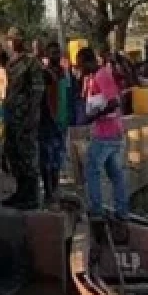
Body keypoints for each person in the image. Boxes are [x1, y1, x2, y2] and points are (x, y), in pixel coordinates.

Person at [78, 47, 129, 219]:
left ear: (88, 61)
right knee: (115, 173)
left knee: (92, 169)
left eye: (81, 65)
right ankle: (122, 211)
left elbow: (113, 102)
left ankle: (96, 209)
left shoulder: (101, 76)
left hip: (105, 133)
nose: (80, 69)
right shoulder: (96, 76)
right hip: (113, 131)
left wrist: (94, 116)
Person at [1, 27, 46, 210]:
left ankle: (31, 196)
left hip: (25, 115)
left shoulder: (31, 62)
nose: (12, 42)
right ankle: (20, 192)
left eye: (16, 39)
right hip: (12, 115)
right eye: (10, 39)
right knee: (14, 154)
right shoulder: (11, 63)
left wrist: (32, 115)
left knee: (27, 155)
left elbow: (38, 90)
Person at [39, 41, 73, 207]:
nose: (56, 56)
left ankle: (55, 188)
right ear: (47, 55)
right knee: (47, 158)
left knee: (58, 158)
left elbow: (68, 95)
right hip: (47, 122)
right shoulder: (45, 74)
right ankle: (48, 191)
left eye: (58, 53)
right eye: (53, 53)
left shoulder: (64, 73)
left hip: (61, 121)